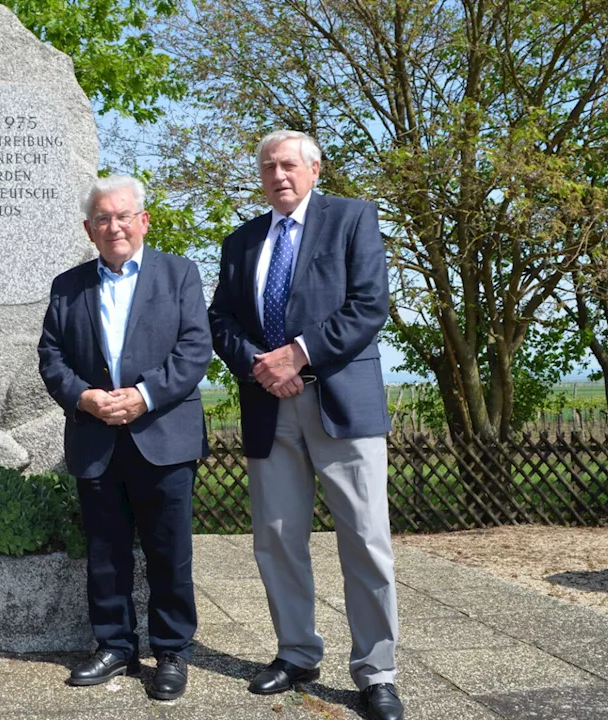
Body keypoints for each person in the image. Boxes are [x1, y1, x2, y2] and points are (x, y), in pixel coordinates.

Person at [208, 130, 403, 720]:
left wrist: (299, 353)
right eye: (268, 167)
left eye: (289, 165)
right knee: (276, 540)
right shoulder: (241, 240)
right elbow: (221, 319)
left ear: (315, 168)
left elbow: (368, 305)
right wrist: (261, 367)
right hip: (271, 407)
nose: (278, 176)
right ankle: (296, 653)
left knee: (366, 541)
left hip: (342, 405)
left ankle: (377, 672)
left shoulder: (352, 219)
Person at [38, 176, 211, 701]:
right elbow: (51, 359)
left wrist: (143, 395)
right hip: (96, 437)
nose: (114, 226)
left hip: (163, 435)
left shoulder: (180, 274)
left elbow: (194, 349)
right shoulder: (68, 286)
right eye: (102, 219)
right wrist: (85, 398)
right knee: (106, 552)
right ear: (89, 230)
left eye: (123, 216)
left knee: (169, 552)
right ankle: (115, 644)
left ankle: (173, 651)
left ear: (143, 221)